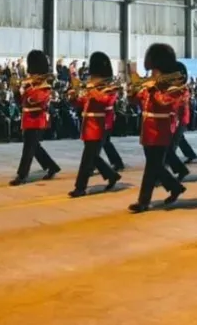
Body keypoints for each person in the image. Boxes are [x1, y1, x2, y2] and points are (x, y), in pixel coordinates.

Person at [127, 44, 187, 212]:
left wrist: (153, 90)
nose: (152, 74)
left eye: (155, 71)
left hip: (161, 130)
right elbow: (138, 101)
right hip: (148, 129)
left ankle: (143, 201)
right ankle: (175, 187)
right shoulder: (151, 85)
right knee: (154, 165)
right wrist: (132, 92)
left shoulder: (173, 87)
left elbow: (164, 103)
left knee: (152, 166)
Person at [68, 52, 122, 197]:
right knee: (93, 157)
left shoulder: (110, 88)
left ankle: (80, 187)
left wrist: (92, 91)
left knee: (87, 158)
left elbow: (106, 102)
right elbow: (81, 103)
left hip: (100, 126)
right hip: (88, 125)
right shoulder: (91, 87)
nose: (92, 78)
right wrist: (73, 97)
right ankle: (111, 175)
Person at [10, 50, 60, 186]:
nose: (31, 75)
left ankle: (22, 175)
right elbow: (22, 102)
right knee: (35, 148)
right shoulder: (30, 85)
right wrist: (16, 91)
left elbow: (35, 100)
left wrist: (27, 87)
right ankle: (52, 167)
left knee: (28, 149)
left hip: (38, 120)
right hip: (27, 119)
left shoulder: (45, 86)